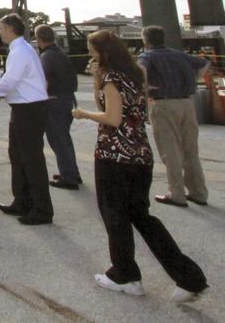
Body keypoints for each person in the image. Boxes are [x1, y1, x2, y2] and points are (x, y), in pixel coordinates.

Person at [73, 31, 208, 302]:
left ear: (102, 53)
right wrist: (97, 79)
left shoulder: (111, 78)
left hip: (114, 157)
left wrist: (83, 113)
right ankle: (189, 277)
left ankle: (126, 275)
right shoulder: (135, 75)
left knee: (115, 217)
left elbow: (112, 118)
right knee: (142, 217)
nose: (90, 55)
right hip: (140, 155)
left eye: (92, 50)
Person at [0, 14, 53, 225]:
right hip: (23, 109)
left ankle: (42, 209)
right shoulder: (22, 50)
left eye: (1, 28)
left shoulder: (20, 52)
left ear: (10, 28)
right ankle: (22, 201)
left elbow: (9, 82)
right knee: (18, 156)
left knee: (31, 160)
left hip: (28, 110)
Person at [138, 25, 210, 207]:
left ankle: (176, 193)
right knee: (190, 150)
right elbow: (204, 63)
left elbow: (141, 71)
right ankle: (199, 192)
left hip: (163, 103)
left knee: (170, 150)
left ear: (145, 39)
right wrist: (194, 80)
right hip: (186, 103)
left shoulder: (147, 56)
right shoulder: (179, 55)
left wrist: (144, 87)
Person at [37, 24, 83, 190]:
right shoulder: (61, 54)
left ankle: (69, 177)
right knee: (64, 138)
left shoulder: (47, 57)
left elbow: (45, 80)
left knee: (58, 140)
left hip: (55, 100)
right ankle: (71, 171)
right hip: (68, 98)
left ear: (39, 39)